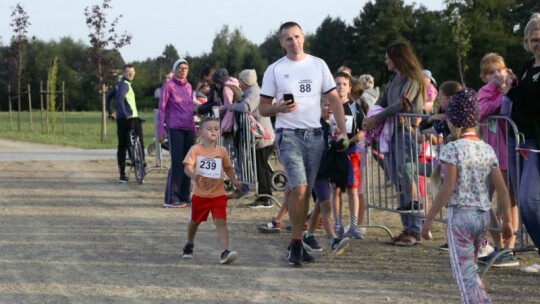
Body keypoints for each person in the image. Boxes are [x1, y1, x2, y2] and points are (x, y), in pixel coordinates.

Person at [258, 21, 348, 266]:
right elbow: (262, 107)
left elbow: (334, 99)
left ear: (303, 38)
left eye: (297, 37)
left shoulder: (318, 65)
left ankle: (296, 241)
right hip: (288, 135)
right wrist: (276, 107)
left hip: (315, 135)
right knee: (298, 188)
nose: (294, 42)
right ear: (281, 42)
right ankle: (296, 244)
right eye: (288, 39)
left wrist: (341, 130)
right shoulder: (275, 69)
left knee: (306, 192)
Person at [422, 88, 513, 303]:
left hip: (460, 217)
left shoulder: (452, 149)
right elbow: (502, 189)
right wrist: (507, 222)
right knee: (470, 270)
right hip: (482, 218)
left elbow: (448, 187)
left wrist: (429, 219)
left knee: (464, 275)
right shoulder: (487, 149)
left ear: (454, 121)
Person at [362, 42, 426, 246]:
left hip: (406, 134)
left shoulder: (413, 78)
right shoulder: (393, 79)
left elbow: (402, 104)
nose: (385, 60)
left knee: (407, 176)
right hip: (392, 134)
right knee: (399, 180)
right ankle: (407, 227)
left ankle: (415, 230)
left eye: (388, 56)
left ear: (397, 57)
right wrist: (370, 115)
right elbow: (382, 100)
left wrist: (377, 118)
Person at [475, 52, 519, 267]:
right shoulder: (484, 92)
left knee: (509, 200)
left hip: (508, 151)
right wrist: (500, 92)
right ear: (484, 77)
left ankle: (509, 246)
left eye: (500, 70)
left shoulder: (513, 88)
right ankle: (495, 243)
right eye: (491, 72)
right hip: (489, 154)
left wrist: (512, 87)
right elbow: (482, 110)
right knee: (485, 198)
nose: (497, 75)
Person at [506, 13, 540, 274]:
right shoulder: (529, 64)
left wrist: (514, 89)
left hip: (535, 141)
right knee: (524, 199)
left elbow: (533, 101)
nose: (537, 43)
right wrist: (512, 85)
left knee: (529, 200)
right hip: (523, 139)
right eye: (532, 39)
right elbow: (523, 99)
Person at [182, 117, 241, 264]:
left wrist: (234, 180)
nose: (213, 131)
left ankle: (224, 252)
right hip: (200, 195)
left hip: (218, 194)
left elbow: (227, 167)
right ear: (201, 132)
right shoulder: (195, 149)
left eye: (216, 128)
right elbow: (187, 167)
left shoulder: (221, 150)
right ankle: (189, 243)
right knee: (195, 221)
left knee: (221, 221)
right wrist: (194, 175)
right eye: (209, 129)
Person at [230, 69, 276, 208]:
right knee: (260, 168)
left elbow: (245, 107)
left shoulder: (255, 92)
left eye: (240, 79)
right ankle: (264, 196)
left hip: (262, 138)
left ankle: (265, 198)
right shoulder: (252, 92)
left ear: (245, 81)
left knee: (261, 169)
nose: (238, 82)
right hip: (258, 137)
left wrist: (231, 107)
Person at [157, 58, 196, 208]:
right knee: (177, 163)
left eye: (186, 68)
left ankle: (185, 196)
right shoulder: (168, 86)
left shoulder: (189, 87)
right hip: (175, 128)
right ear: (175, 69)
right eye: (180, 67)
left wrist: (194, 128)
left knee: (188, 163)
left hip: (188, 128)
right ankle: (171, 197)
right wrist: (160, 130)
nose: (183, 70)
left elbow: (190, 108)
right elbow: (161, 109)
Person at [330, 72, 364, 239]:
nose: (340, 87)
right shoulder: (329, 105)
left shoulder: (355, 107)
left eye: (344, 84)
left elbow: (362, 132)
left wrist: (348, 143)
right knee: (335, 190)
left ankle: (353, 225)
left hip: (351, 153)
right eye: (337, 84)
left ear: (350, 87)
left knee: (352, 189)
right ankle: (337, 224)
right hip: (333, 154)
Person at [106, 64, 145, 183]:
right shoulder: (124, 85)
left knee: (122, 145)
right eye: (128, 72)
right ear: (123, 73)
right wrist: (126, 113)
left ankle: (122, 175)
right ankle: (142, 166)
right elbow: (120, 98)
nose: (131, 74)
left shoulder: (118, 85)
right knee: (139, 140)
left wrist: (111, 112)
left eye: (133, 72)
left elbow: (108, 97)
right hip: (130, 118)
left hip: (121, 120)